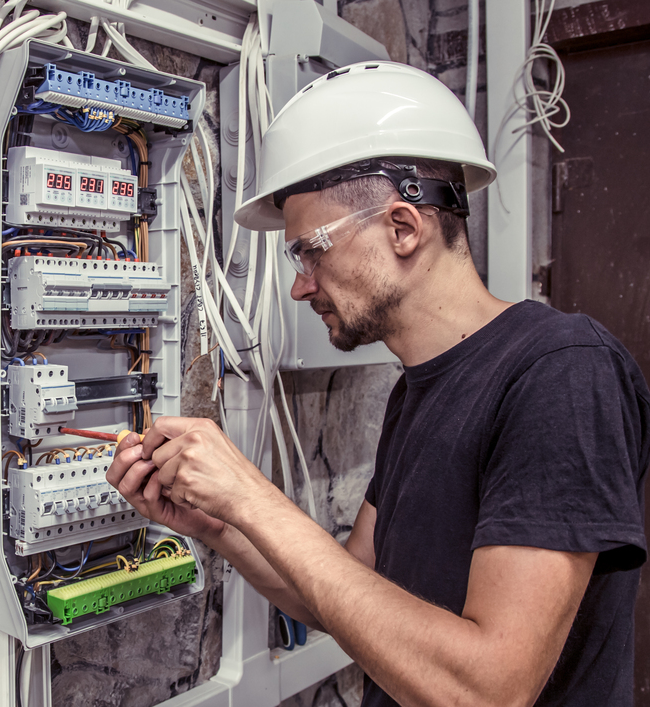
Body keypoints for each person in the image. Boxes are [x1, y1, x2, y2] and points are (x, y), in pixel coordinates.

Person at [107, 61, 649, 706]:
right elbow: (350, 585)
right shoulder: (419, 389)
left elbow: (488, 692)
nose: (301, 283)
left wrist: (251, 496)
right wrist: (216, 523)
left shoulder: (561, 371)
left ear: (403, 227)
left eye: (311, 250)